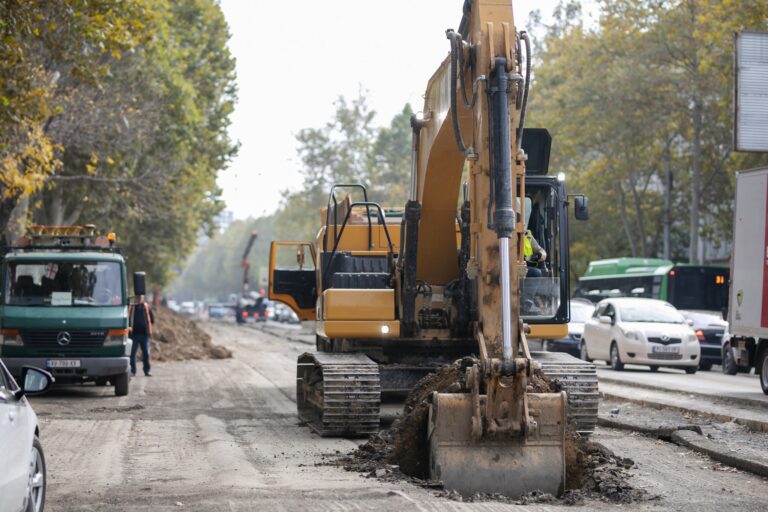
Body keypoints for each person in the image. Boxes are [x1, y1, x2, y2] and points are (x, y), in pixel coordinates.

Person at [129, 295, 155, 377]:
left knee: (146, 353)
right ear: (135, 298)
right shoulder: (131, 307)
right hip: (133, 335)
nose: (139, 299)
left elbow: (152, 319)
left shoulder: (146, 307)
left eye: (140, 297)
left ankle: (147, 370)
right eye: (137, 297)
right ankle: (133, 371)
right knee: (132, 354)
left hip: (144, 335)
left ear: (143, 298)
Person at [522, 230, 547, 310]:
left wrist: (542, 254)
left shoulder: (527, 236)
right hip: (507, 268)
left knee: (536, 273)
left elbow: (540, 250)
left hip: (524, 267)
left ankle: (527, 301)